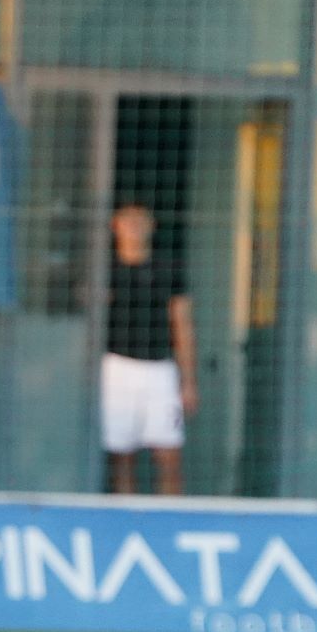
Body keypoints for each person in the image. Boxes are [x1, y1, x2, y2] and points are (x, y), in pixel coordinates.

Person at [100, 202, 198, 494]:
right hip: (115, 369)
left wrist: (188, 381)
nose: (134, 226)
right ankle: (125, 519)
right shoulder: (103, 271)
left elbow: (182, 324)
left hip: (160, 370)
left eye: (141, 220)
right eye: (127, 220)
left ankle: (168, 520)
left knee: (168, 454)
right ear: (114, 225)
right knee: (121, 455)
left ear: (152, 225)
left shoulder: (168, 269)